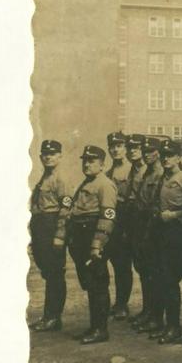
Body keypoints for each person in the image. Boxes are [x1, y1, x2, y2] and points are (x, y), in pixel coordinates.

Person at [56, 144, 119, 343]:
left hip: (93, 237)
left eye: (92, 161)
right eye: (85, 160)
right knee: (91, 284)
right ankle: (94, 326)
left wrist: (97, 244)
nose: (87, 164)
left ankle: (101, 330)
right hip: (81, 237)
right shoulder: (86, 183)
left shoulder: (104, 184)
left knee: (98, 284)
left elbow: (107, 217)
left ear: (102, 164)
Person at [29, 139, 74, 332]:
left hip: (52, 226)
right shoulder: (44, 177)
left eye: (53, 154)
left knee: (55, 273)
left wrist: (59, 235)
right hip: (41, 226)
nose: (48, 157)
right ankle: (49, 315)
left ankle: (53, 317)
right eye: (45, 154)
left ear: (60, 156)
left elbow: (65, 209)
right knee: (48, 272)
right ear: (40, 157)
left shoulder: (61, 179)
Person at [153, 139, 182, 344]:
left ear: (178, 157)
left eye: (169, 155)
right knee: (167, 281)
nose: (165, 159)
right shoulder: (162, 178)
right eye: (163, 155)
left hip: (181, 233)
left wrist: (174, 215)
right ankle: (172, 326)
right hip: (164, 234)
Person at [130, 137, 165, 334]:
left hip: (153, 227)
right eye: (144, 151)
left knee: (155, 273)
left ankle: (156, 316)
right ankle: (148, 310)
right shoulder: (146, 172)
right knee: (145, 271)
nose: (146, 154)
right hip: (143, 226)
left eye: (150, 151)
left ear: (157, 153)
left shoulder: (160, 174)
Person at [105, 132, 134, 320]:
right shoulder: (108, 172)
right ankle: (115, 303)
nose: (116, 149)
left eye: (120, 145)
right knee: (114, 264)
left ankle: (122, 304)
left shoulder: (132, 170)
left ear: (126, 148)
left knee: (124, 266)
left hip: (128, 222)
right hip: (113, 222)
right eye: (113, 146)